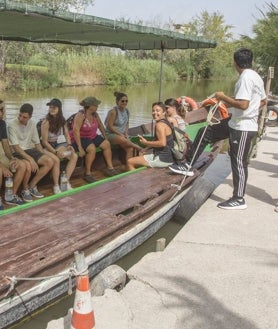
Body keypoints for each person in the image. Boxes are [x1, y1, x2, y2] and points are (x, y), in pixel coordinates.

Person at [169, 47, 267, 210]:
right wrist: (236, 106)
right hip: (234, 122)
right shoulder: (255, 76)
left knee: (238, 162)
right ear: (252, 61)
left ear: (235, 62)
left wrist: (222, 97)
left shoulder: (245, 78)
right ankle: (188, 165)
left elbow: (244, 104)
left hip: (243, 127)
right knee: (205, 132)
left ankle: (239, 198)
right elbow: (262, 101)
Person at [8, 103, 58, 198]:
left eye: (25, 117)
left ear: (30, 116)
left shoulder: (32, 123)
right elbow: (16, 148)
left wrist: (42, 155)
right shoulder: (11, 124)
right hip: (18, 151)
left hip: (30, 150)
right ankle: (24, 189)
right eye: (20, 115)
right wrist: (31, 159)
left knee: (49, 161)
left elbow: (37, 143)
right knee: (28, 166)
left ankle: (32, 185)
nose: (21, 119)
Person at [70, 96, 119, 183]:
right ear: (90, 106)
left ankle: (110, 168)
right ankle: (88, 173)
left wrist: (105, 137)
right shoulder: (80, 115)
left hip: (92, 136)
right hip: (81, 138)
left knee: (106, 144)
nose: (97, 106)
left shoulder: (95, 114)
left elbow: (100, 126)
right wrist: (80, 147)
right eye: (96, 105)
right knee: (91, 149)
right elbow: (75, 131)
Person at [0, 100, 32, 206]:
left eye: (2, 110)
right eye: (0, 110)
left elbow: (5, 145)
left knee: (21, 165)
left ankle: (10, 196)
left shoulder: (2, 123)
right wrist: (2, 166)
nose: (2, 113)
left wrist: (12, 158)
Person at [41, 98, 78, 191]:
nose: (51, 109)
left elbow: (66, 134)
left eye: (54, 108)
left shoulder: (62, 120)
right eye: (50, 107)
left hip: (56, 144)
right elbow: (44, 142)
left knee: (74, 156)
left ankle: (65, 181)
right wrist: (55, 152)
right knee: (57, 159)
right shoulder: (46, 122)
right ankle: (56, 185)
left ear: (59, 109)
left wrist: (69, 144)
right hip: (45, 147)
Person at [126, 102, 175, 170]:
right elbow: (157, 140)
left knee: (130, 162)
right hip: (168, 157)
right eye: (153, 111)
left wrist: (146, 142)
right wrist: (145, 149)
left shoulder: (159, 125)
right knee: (142, 156)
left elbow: (162, 143)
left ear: (164, 112)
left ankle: (137, 180)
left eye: (158, 111)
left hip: (162, 159)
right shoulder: (166, 122)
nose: (155, 113)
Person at [105, 91, 142, 164]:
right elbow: (110, 126)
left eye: (126, 101)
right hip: (111, 134)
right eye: (122, 101)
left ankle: (129, 166)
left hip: (121, 135)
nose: (124, 102)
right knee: (123, 139)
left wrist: (126, 133)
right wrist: (120, 134)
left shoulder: (127, 111)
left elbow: (127, 123)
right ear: (117, 101)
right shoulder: (113, 112)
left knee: (130, 149)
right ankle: (138, 147)